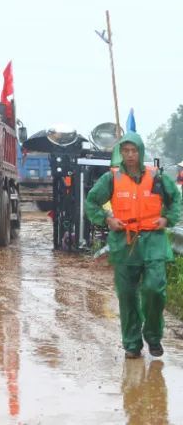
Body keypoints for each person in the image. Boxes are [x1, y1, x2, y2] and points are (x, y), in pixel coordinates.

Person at [85, 133, 181, 359]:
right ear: (121, 153)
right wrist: (107, 219)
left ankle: (153, 336)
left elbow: (176, 200)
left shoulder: (156, 177)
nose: (130, 155)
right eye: (126, 151)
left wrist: (167, 219)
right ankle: (132, 343)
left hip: (153, 240)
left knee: (154, 289)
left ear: (140, 151)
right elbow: (92, 202)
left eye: (134, 151)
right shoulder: (112, 179)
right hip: (124, 242)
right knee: (127, 295)